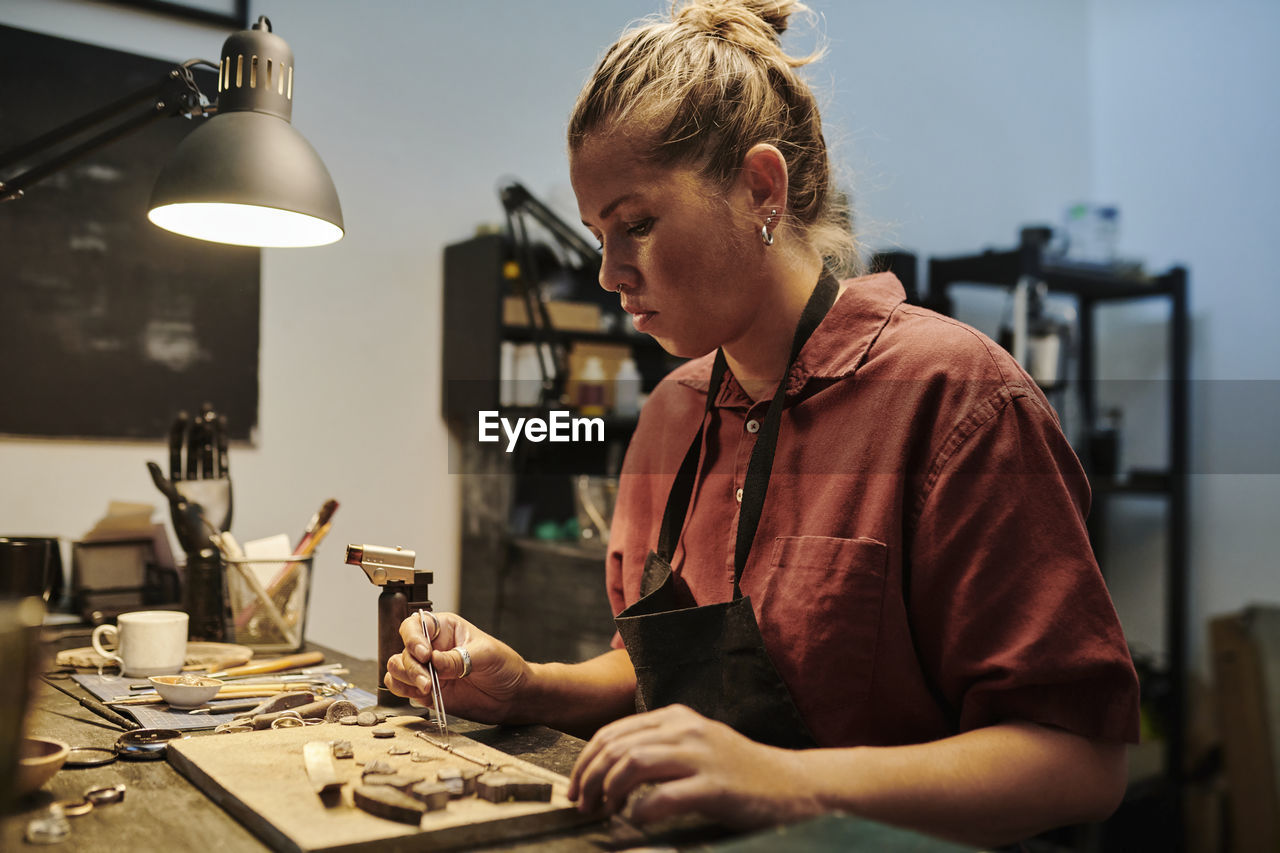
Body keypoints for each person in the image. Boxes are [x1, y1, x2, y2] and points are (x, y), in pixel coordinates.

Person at [387, 0, 1140, 845]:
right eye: (600, 234)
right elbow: (653, 668)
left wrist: (782, 781)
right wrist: (529, 686)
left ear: (760, 188)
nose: (609, 273)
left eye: (636, 224)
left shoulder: (955, 399)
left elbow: (1080, 761)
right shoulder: (673, 414)